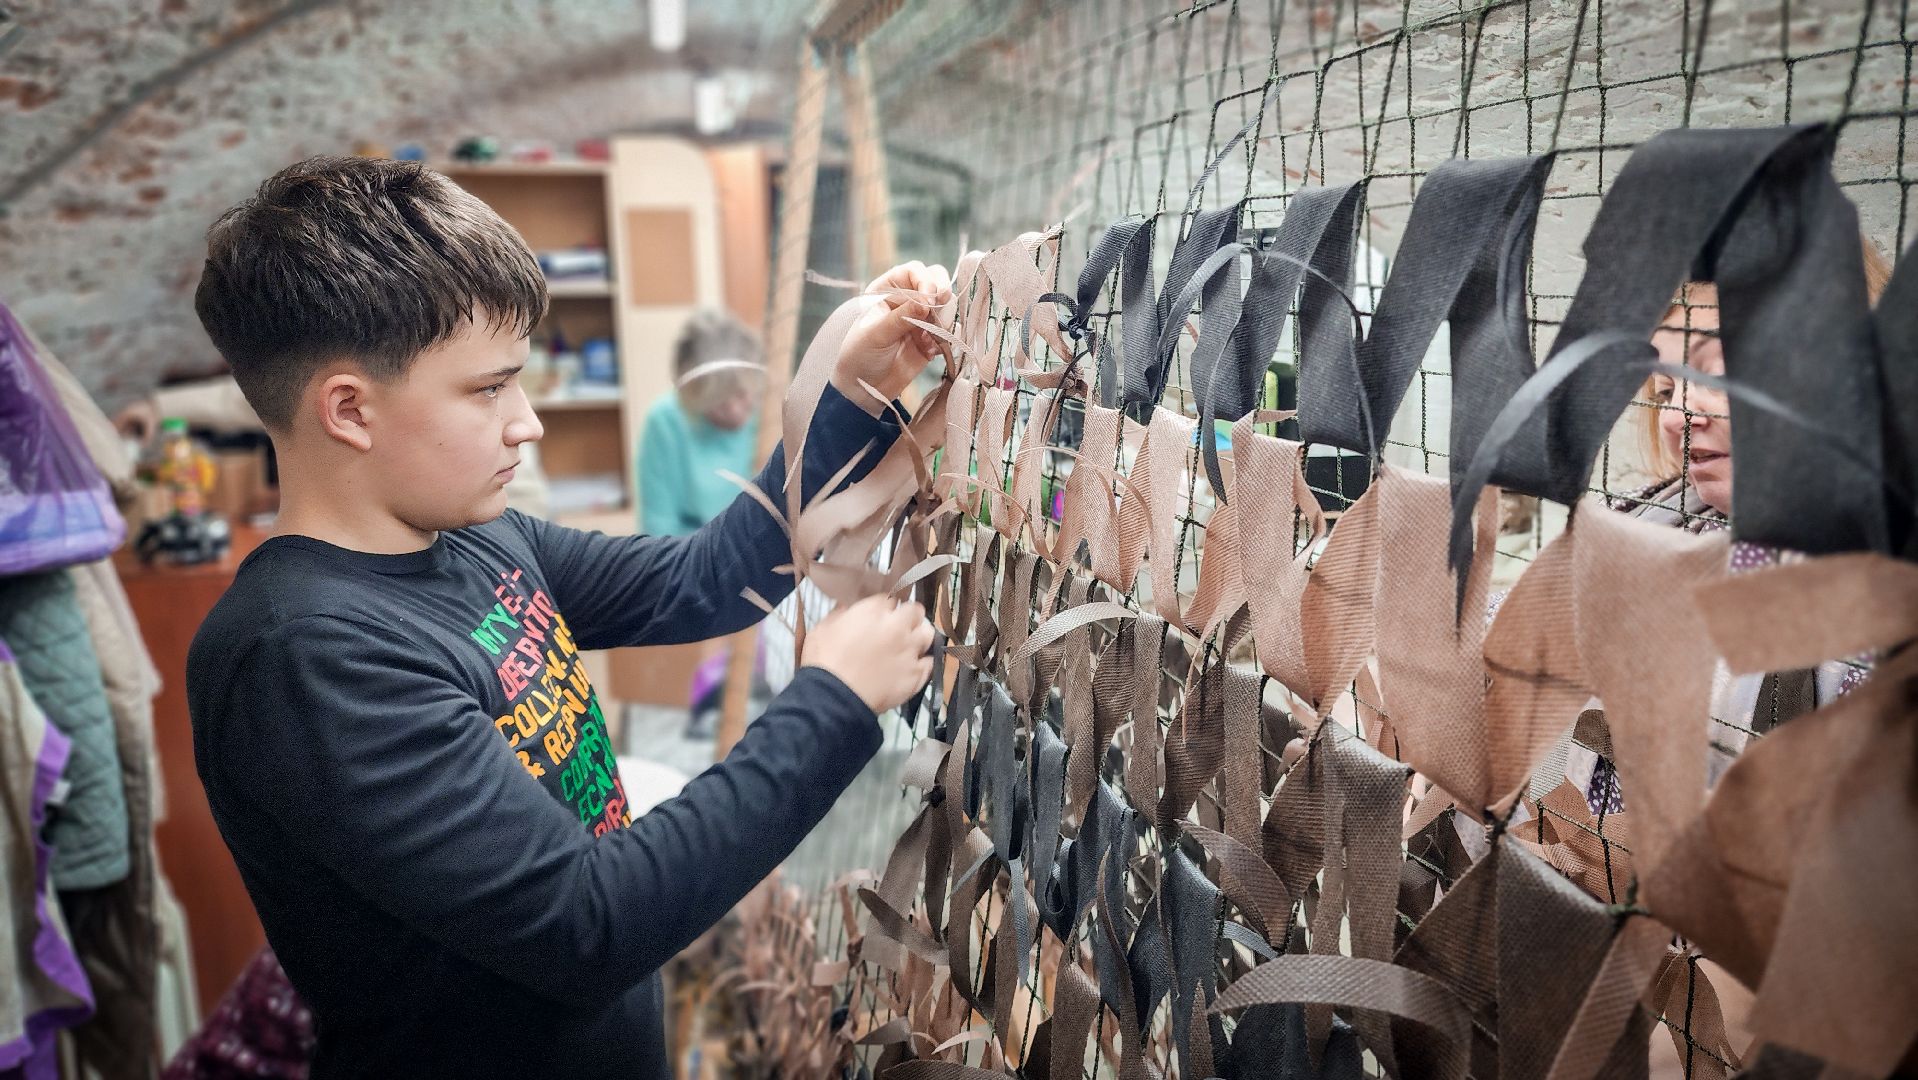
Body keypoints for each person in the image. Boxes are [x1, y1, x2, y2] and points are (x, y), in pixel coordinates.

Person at [182, 155, 946, 1080]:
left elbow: (699, 582)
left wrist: (849, 398)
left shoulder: (473, 538)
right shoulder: (305, 657)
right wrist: (831, 702)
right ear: (349, 409)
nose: (527, 422)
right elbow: (591, 924)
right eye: (487, 388)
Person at [637, 310, 765, 538]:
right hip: (693, 555)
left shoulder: (770, 414)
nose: (735, 411)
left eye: (741, 394)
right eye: (719, 404)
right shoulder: (665, 423)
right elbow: (658, 531)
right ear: (693, 399)